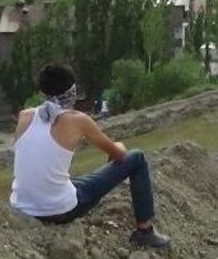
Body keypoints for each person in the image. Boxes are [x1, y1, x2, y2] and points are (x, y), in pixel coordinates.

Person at [10, 64, 170, 248]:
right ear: (72, 91)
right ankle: (145, 231)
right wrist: (119, 146)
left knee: (67, 180)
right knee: (137, 158)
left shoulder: (24, 116)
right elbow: (118, 155)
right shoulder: (78, 120)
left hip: (21, 207)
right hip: (59, 210)